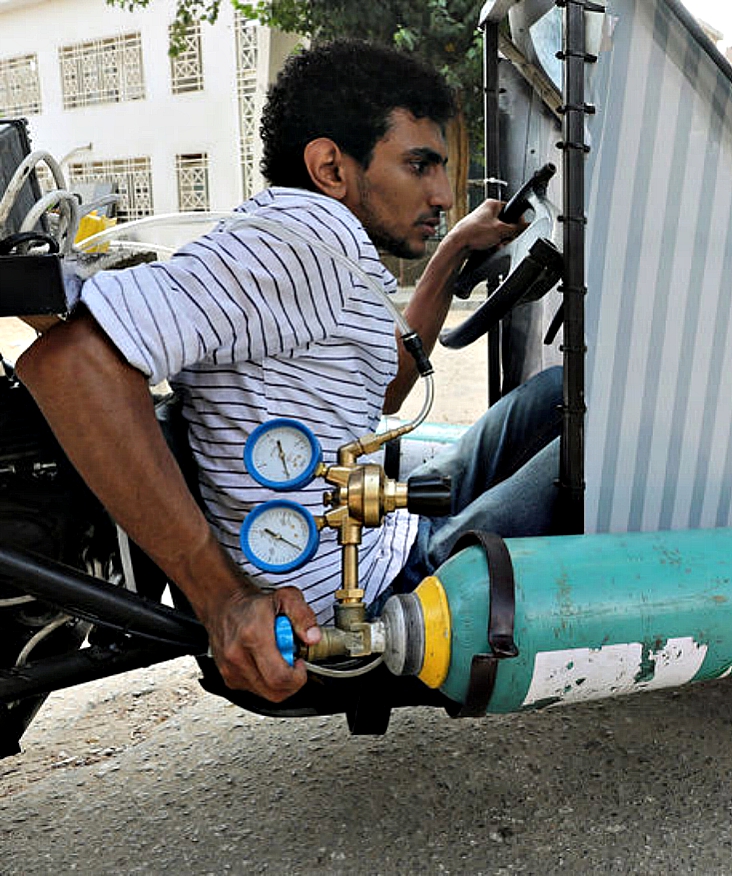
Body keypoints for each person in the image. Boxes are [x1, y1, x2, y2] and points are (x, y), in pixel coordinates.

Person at [16, 40, 562, 704]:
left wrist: (450, 253)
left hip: (376, 534)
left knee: (563, 397)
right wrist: (224, 601)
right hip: (359, 603)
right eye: (419, 164)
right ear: (331, 166)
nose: (444, 193)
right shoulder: (303, 245)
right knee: (606, 429)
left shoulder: (312, 243)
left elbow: (386, 383)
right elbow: (71, 362)